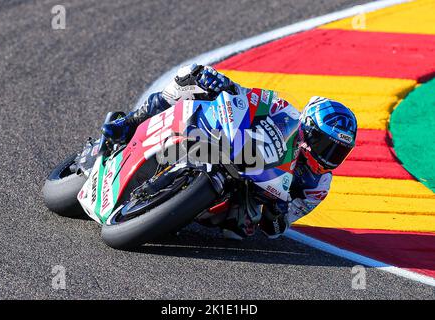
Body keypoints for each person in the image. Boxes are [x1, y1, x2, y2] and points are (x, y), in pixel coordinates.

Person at [102, 64, 357, 240]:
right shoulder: (284, 112)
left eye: (338, 152)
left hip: (245, 196)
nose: (329, 157)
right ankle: (128, 123)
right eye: (327, 146)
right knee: (189, 76)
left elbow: (277, 230)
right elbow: (247, 97)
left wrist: (277, 212)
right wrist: (223, 84)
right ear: (308, 131)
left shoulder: (318, 185)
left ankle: (174, 214)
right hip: (235, 149)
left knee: (240, 231)